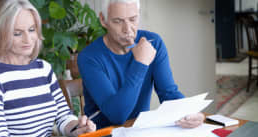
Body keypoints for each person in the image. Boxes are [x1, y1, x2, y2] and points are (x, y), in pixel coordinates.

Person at [0, 0, 96, 137]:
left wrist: (78, 128)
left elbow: (62, 117)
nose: (28, 39)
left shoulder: (43, 69)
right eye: (17, 33)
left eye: (31, 30)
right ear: (0, 33)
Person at [77, 0, 205, 129]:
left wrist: (190, 113)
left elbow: (168, 93)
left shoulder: (153, 42)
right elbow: (117, 116)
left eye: (133, 19)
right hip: (103, 135)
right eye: (118, 21)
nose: (127, 29)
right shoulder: (89, 57)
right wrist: (141, 63)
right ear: (103, 20)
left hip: (139, 131)